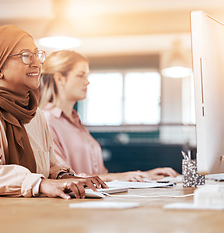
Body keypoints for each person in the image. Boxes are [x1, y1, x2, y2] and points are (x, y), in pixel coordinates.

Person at [0, 25, 106, 200]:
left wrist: (66, 178)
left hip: (13, 208)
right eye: (26, 56)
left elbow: (49, 165)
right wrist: (40, 183)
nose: (37, 63)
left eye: (37, 55)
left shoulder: (34, 113)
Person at [39, 50, 179, 182]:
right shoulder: (47, 120)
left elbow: (100, 175)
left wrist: (144, 175)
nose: (87, 82)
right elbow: (63, 178)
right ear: (60, 79)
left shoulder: (75, 120)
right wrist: (119, 177)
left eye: (87, 76)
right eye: (80, 75)